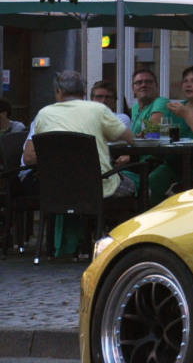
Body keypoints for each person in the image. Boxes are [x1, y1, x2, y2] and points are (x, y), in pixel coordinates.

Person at [22, 70, 135, 257]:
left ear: (58, 92)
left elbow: (30, 156)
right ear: (84, 93)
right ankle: (122, 247)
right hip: (96, 187)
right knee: (135, 188)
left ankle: (76, 244)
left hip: (57, 188)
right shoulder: (98, 110)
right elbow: (129, 138)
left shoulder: (44, 113)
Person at [149, 65, 193, 199]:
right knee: (154, 179)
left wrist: (187, 115)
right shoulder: (176, 109)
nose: (188, 85)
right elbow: (166, 136)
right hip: (175, 163)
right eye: (185, 81)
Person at [128, 68, 168, 136]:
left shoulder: (161, 102)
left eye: (148, 82)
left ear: (156, 86)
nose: (143, 85)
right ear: (133, 88)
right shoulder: (135, 107)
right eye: (139, 83)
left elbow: (152, 128)